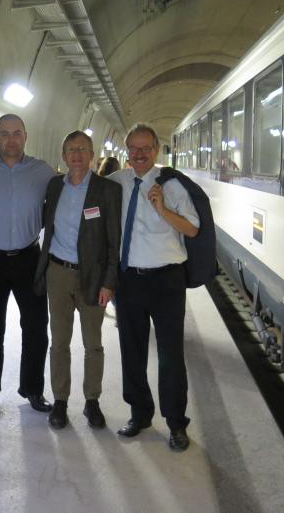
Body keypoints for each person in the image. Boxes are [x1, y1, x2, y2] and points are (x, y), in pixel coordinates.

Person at [108, 123, 200, 452]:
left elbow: (191, 229)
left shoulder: (172, 185)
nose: (139, 154)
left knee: (170, 355)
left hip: (166, 280)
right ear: (126, 150)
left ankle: (176, 423)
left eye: (146, 148)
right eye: (133, 148)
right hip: (129, 280)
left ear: (156, 150)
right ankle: (140, 413)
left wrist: (162, 209)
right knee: (131, 352)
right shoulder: (116, 181)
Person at [0, 114, 56, 421]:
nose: (11, 139)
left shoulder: (43, 172)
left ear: (26, 136)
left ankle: (33, 389)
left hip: (29, 258)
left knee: (36, 326)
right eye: (5, 133)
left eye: (17, 133)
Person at [33, 131, 121, 429]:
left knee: (93, 343)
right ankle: (60, 400)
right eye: (71, 150)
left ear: (92, 155)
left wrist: (109, 282)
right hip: (57, 272)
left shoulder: (107, 190)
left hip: (92, 276)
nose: (77, 155)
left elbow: (114, 241)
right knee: (59, 342)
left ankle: (92, 401)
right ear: (64, 156)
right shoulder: (55, 186)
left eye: (83, 149)